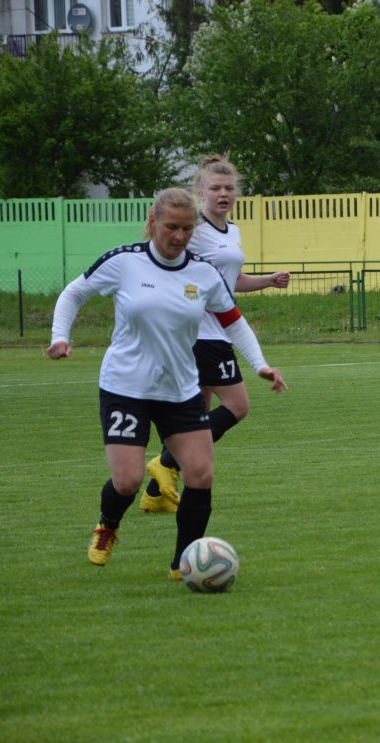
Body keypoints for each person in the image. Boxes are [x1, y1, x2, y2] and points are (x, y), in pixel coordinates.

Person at [48, 187, 287, 579]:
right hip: (126, 387)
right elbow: (74, 293)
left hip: (180, 390)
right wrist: (60, 336)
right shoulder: (125, 261)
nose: (179, 236)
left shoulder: (203, 273)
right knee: (127, 481)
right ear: (153, 222)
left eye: (187, 228)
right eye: (171, 227)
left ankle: (184, 564)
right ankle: (108, 525)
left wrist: (260, 364)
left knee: (200, 474)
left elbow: (233, 321)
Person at [141, 156, 290, 512]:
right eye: (216, 188)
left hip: (216, 330)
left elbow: (229, 281)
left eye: (229, 188)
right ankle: (165, 462)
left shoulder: (232, 231)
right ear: (200, 193)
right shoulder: (193, 231)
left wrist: (267, 281)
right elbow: (167, 264)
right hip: (202, 334)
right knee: (238, 406)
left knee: (198, 413)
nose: (223, 194)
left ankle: (154, 494)